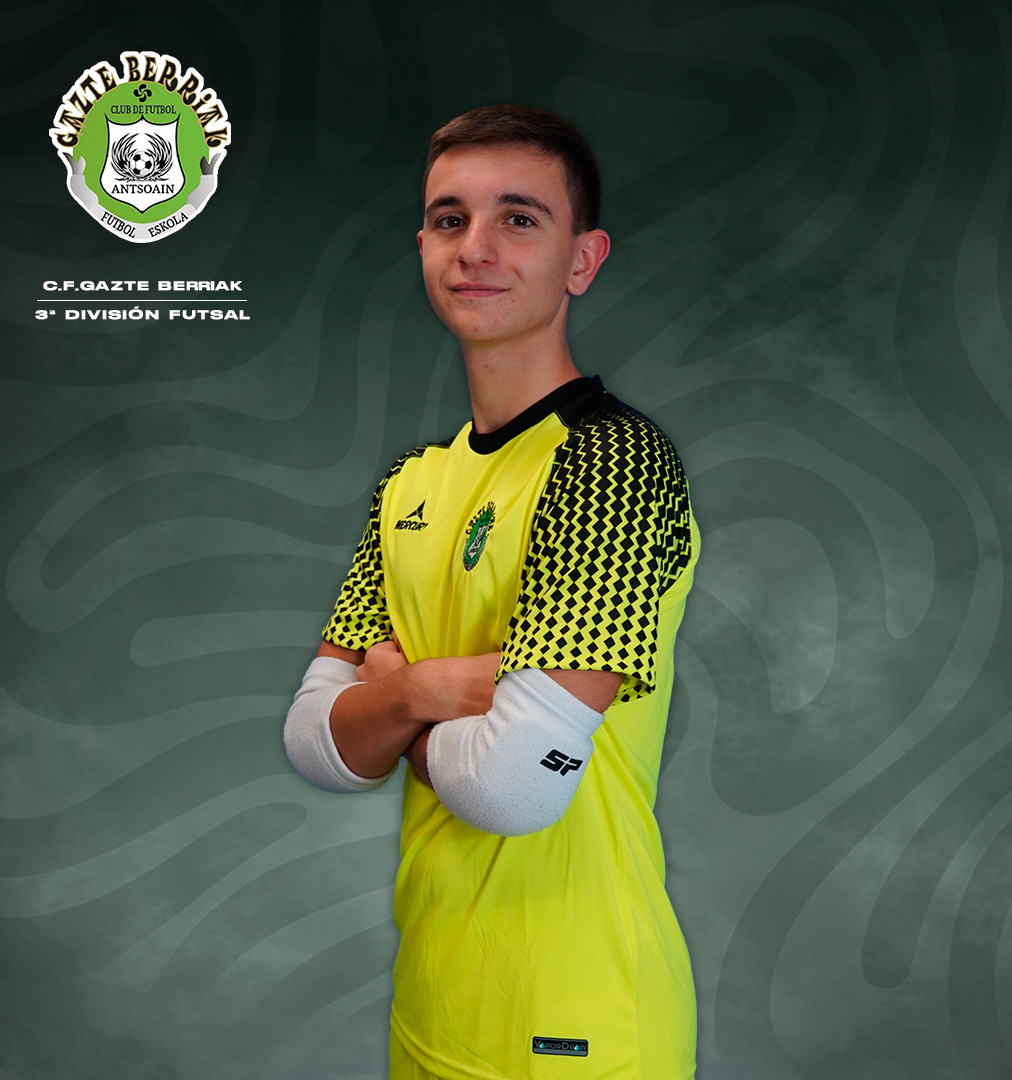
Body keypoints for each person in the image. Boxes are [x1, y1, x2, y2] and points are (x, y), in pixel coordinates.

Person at [284, 104, 701, 1080]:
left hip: (578, 1020)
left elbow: (513, 786)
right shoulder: (410, 486)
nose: (475, 247)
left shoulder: (613, 465)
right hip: (432, 1005)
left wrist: (389, 707)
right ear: (424, 249)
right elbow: (314, 744)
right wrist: (433, 691)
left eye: (519, 218)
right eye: (449, 219)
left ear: (582, 259)